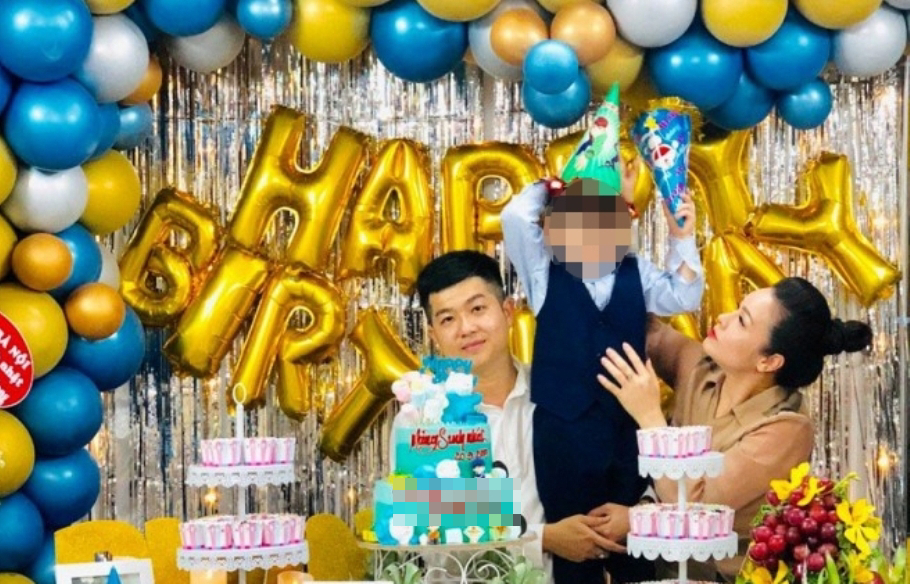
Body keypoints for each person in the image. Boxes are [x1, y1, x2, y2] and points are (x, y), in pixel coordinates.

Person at [501, 90, 703, 583]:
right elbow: (514, 218)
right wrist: (554, 185)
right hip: (562, 433)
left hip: (625, 432)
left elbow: (684, 294)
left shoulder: (638, 272)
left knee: (631, 551)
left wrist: (682, 235)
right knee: (574, 554)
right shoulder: (545, 275)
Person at [595, 277, 873, 581]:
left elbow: (694, 507)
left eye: (742, 320)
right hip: (660, 570)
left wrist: (649, 416)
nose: (723, 318)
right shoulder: (700, 370)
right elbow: (648, 331)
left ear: (769, 361)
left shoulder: (786, 428)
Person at [415, 250, 626, 584]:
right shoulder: (422, 418)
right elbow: (432, 539)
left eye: (477, 309)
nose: (466, 328)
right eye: (447, 319)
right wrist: (543, 539)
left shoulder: (560, 398)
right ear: (433, 335)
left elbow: (615, 477)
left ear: (507, 311)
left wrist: (629, 515)